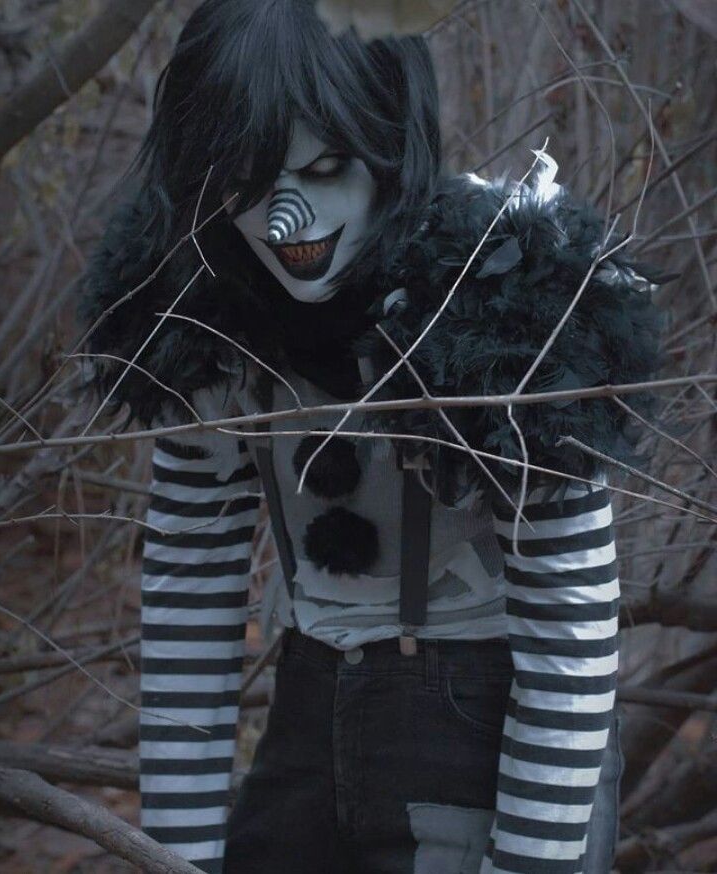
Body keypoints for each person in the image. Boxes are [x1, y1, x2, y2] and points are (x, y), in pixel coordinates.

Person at [81, 1, 662, 872]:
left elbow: (570, 643)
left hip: (496, 734)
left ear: (387, 146)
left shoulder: (506, 303)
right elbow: (188, 591)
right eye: (249, 178)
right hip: (310, 709)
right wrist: (177, 853)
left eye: (326, 168)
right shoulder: (207, 307)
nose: (290, 218)